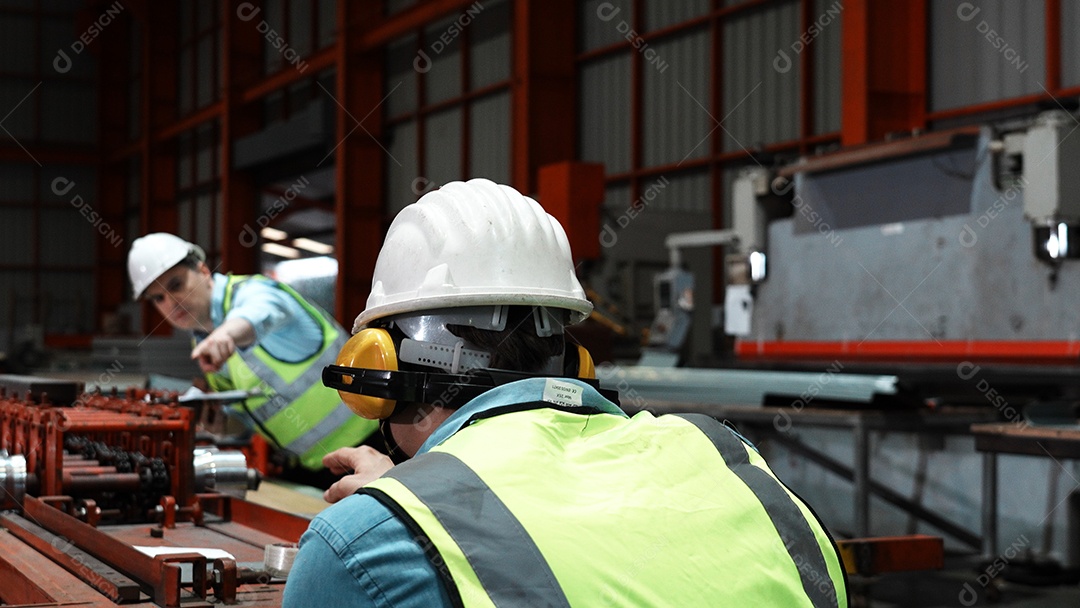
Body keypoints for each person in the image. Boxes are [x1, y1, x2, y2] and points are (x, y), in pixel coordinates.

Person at [282, 178, 848, 607]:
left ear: (378, 368)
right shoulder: (723, 454)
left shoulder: (358, 547)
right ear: (575, 362)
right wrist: (415, 497)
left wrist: (398, 512)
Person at [126, 233, 379, 478]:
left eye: (176, 285)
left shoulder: (255, 293)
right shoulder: (204, 341)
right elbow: (246, 419)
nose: (171, 302)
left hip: (374, 446)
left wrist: (227, 335)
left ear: (203, 271)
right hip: (313, 466)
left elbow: (259, 313)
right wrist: (222, 424)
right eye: (158, 298)